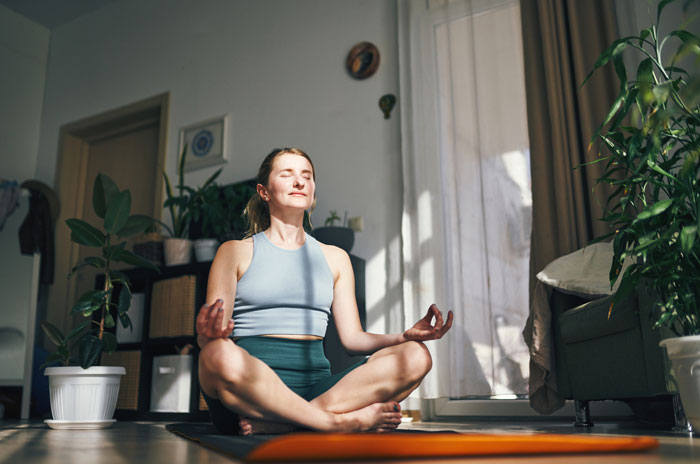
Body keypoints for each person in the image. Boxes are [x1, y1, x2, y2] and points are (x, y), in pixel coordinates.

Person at [197, 147, 453, 435]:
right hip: (251, 392)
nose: (299, 181)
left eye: (306, 175)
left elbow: (353, 340)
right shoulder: (234, 252)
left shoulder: (336, 257)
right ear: (264, 192)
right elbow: (213, 335)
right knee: (216, 354)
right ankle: (337, 422)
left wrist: (403, 337)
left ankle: (287, 424)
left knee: (417, 356)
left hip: (319, 390)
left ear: (313, 190)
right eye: (287, 174)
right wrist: (206, 337)